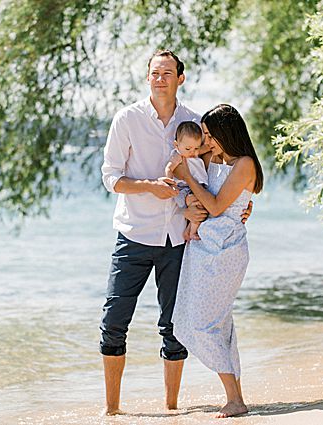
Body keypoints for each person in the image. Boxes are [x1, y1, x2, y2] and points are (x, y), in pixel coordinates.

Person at [98, 49, 204, 416]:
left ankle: (171, 410)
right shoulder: (127, 119)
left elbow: (211, 174)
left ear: (180, 78)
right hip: (133, 235)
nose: (160, 78)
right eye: (154, 73)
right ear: (148, 78)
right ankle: (112, 412)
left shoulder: (194, 122)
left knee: (174, 327)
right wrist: (149, 186)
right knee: (113, 323)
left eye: (167, 73)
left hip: (178, 238)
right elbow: (110, 177)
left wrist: (235, 206)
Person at [172, 103, 264, 418]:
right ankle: (236, 397)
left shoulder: (244, 164)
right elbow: (183, 152)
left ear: (227, 133)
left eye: (210, 135)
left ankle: (234, 397)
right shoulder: (215, 158)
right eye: (205, 135)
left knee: (203, 325)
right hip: (203, 247)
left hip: (226, 250)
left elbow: (214, 206)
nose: (206, 141)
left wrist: (185, 174)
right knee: (217, 324)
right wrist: (183, 188)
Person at [165, 121, 211, 242]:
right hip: (184, 189)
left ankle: (189, 230)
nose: (193, 152)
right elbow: (169, 168)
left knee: (202, 207)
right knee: (197, 205)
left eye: (196, 148)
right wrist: (170, 185)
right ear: (176, 145)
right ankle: (192, 232)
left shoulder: (191, 152)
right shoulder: (178, 156)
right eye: (188, 148)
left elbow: (204, 149)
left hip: (197, 187)